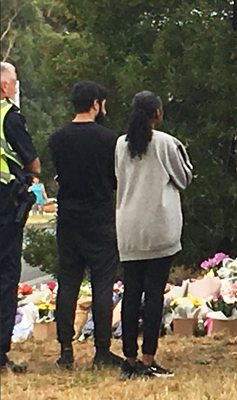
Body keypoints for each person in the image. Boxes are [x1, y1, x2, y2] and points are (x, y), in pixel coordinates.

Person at [117, 91, 193, 379]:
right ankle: (149, 357)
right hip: (159, 226)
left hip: (129, 227)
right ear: (157, 114)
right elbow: (184, 178)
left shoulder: (120, 145)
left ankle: (129, 359)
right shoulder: (165, 143)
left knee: (131, 294)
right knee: (153, 296)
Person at [48, 81, 123, 368]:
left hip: (69, 215)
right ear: (95, 104)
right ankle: (101, 350)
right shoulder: (108, 139)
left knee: (68, 282)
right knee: (102, 283)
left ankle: (66, 350)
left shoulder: (58, 137)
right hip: (100, 215)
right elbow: (114, 178)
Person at [0, 61, 40, 373]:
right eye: (14, 82)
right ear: (4, 86)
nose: (16, 86)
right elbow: (34, 163)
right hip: (3, 203)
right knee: (6, 273)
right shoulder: (9, 116)